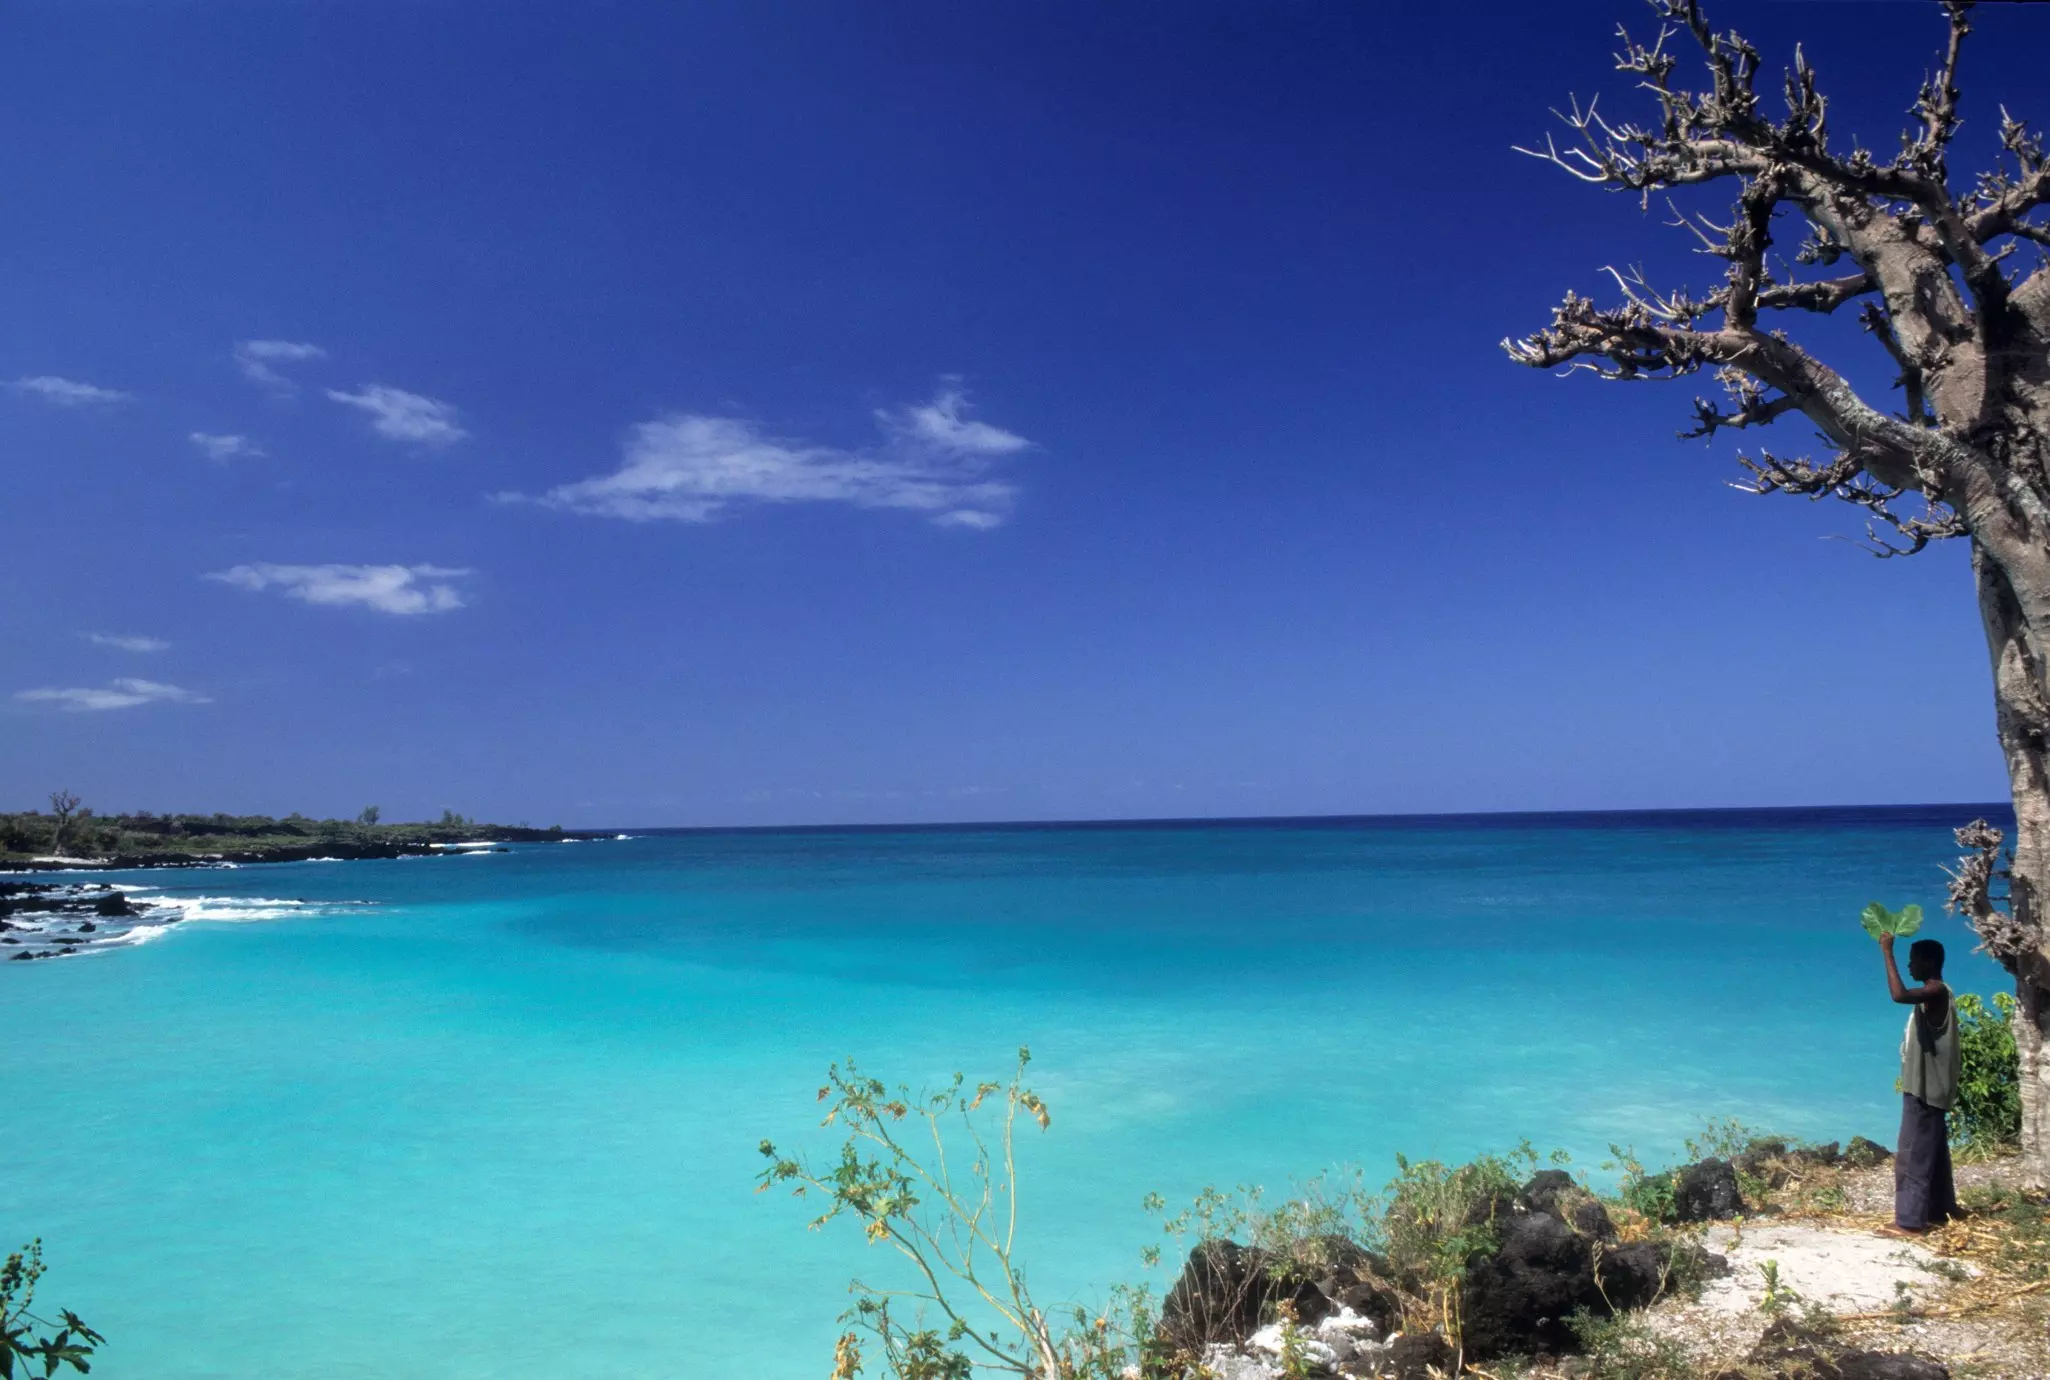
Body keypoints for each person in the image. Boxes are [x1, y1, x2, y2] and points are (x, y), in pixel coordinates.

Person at [1879, 933, 1963, 1236]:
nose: (1909, 964)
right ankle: (1942, 1209)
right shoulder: (1939, 992)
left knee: (1913, 1152)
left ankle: (1910, 1221)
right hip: (1934, 1086)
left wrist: (1886, 952)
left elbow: (1899, 995)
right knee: (1934, 1151)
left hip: (1925, 1087)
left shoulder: (1936, 991)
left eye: (1913, 959)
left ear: (1928, 962)